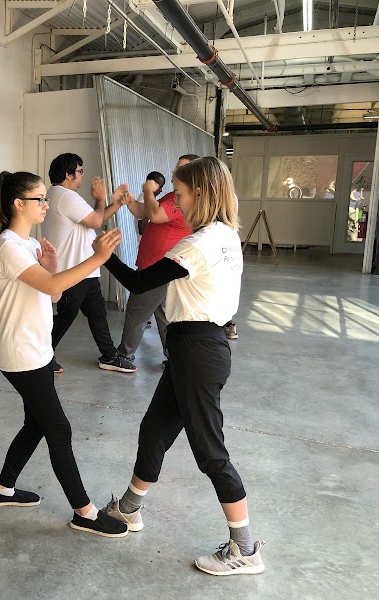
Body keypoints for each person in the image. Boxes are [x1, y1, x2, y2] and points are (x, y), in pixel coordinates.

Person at [102, 156, 264, 575]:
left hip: (197, 350)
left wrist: (103, 255)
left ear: (201, 193)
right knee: (155, 430)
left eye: (181, 194)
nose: (176, 202)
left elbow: (140, 283)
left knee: (210, 452)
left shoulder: (197, 244)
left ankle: (245, 548)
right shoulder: (226, 235)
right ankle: (129, 508)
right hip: (196, 347)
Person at [0, 170, 128, 537]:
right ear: (18, 204)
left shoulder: (30, 243)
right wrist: (98, 258)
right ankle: (85, 512)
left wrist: (51, 268)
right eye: (40, 199)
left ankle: (3, 490)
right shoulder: (8, 246)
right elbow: (52, 287)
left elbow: (54, 294)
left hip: (38, 348)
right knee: (58, 428)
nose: (46, 204)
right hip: (20, 352)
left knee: (37, 424)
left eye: (46, 198)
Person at [40, 153, 127, 373]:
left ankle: (109, 356)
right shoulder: (65, 196)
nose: (82, 176)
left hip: (84, 270)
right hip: (73, 271)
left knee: (97, 315)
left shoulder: (61, 195)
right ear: (68, 174)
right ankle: (41, 355)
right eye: (79, 171)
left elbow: (94, 220)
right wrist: (100, 198)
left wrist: (116, 203)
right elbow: (96, 220)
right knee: (65, 317)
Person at [112, 155, 199, 372]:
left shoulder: (185, 198)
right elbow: (144, 211)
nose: (175, 171)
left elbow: (156, 214)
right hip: (161, 265)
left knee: (138, 311)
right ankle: (175, 357)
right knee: (164, 315)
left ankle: (124, 356)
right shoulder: (174, 195)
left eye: (181, 168)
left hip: (157, 266)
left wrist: (148, 190)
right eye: (176, 167)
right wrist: (130, 200)